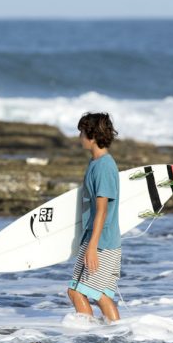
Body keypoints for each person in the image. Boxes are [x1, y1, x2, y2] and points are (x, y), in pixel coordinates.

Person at [67, 112, 121, 322]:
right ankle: (117, 336)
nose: (79, 137)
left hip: (100, 242)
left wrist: (91, 246)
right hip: (109, 241)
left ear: (91, 135)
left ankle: (87, 338)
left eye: (81, 132)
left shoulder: (104, 167)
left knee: (76, 291)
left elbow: (102, 210)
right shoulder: (98, 163)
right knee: (102, 296)